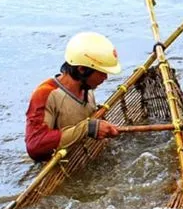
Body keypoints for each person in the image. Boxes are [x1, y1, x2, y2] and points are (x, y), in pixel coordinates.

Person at [25, 32, 122, 162]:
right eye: (102, 73)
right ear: (82, 69)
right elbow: (35, 146)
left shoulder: (88, 89)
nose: (105, 78)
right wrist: (87, 128)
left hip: (83, 156)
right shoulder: (45, 94)